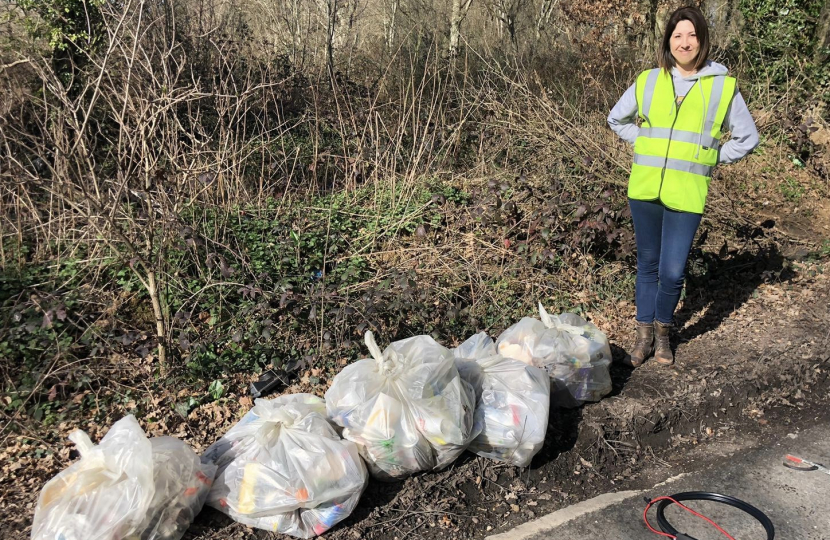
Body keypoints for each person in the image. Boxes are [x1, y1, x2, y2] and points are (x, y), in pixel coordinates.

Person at [607, 6, 759, 367]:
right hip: (645, 190)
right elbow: (617, 118)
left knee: (673, 271)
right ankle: (643, 339)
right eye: (677, 35)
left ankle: (663, 334)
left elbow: (747, 137)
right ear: (668, 41)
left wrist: (711, 158)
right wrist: (643, 141)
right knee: (647, 264)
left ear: (703, 39)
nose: (685, 42)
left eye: (692, 35)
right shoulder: (648, 80)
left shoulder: (722, 86)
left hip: (687, 193)